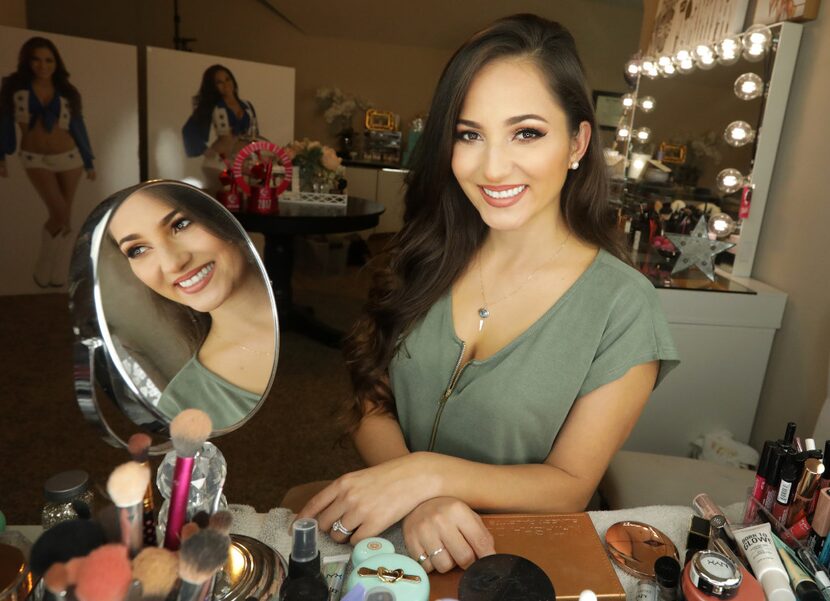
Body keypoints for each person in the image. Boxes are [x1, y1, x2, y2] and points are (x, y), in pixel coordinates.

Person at [294, 14, 680, 574]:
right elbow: (370, 394)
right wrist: (420, 495)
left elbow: (570, 485)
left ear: (577, 142)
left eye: (527, 132)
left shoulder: (623, 307)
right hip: (396, 538)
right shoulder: (424, 252)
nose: (493, 166)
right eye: (469, 134)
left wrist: (428, 475)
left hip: (517, 560)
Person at [107, 183, 275, 429]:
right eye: (138, 250)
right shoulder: (182, 405)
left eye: (180, 224)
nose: (172, 263)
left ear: (222, 218)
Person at [0, 37, 95, 288]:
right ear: (27, 61)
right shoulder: (14, 89)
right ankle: (44, 265)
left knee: (66, 217)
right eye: (37, 59)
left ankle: (57, 272)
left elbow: (78, 126)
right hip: (34, 157)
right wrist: (2, 154)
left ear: (56, 62)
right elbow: (4, 123)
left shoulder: (66, 93)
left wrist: (88, 160)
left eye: (48, 60)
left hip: (69, 157)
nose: (43, 65)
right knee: (59, 212)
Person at [181, 65, 259, 189]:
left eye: (228, 79)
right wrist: (205, 150)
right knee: (223, 200)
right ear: (214, 87)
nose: (226, 84)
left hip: (242, 164)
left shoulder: (247, 106)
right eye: (219, 82)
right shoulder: (213, 106)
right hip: (218, 164)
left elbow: (255, 136)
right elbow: (188, 130)